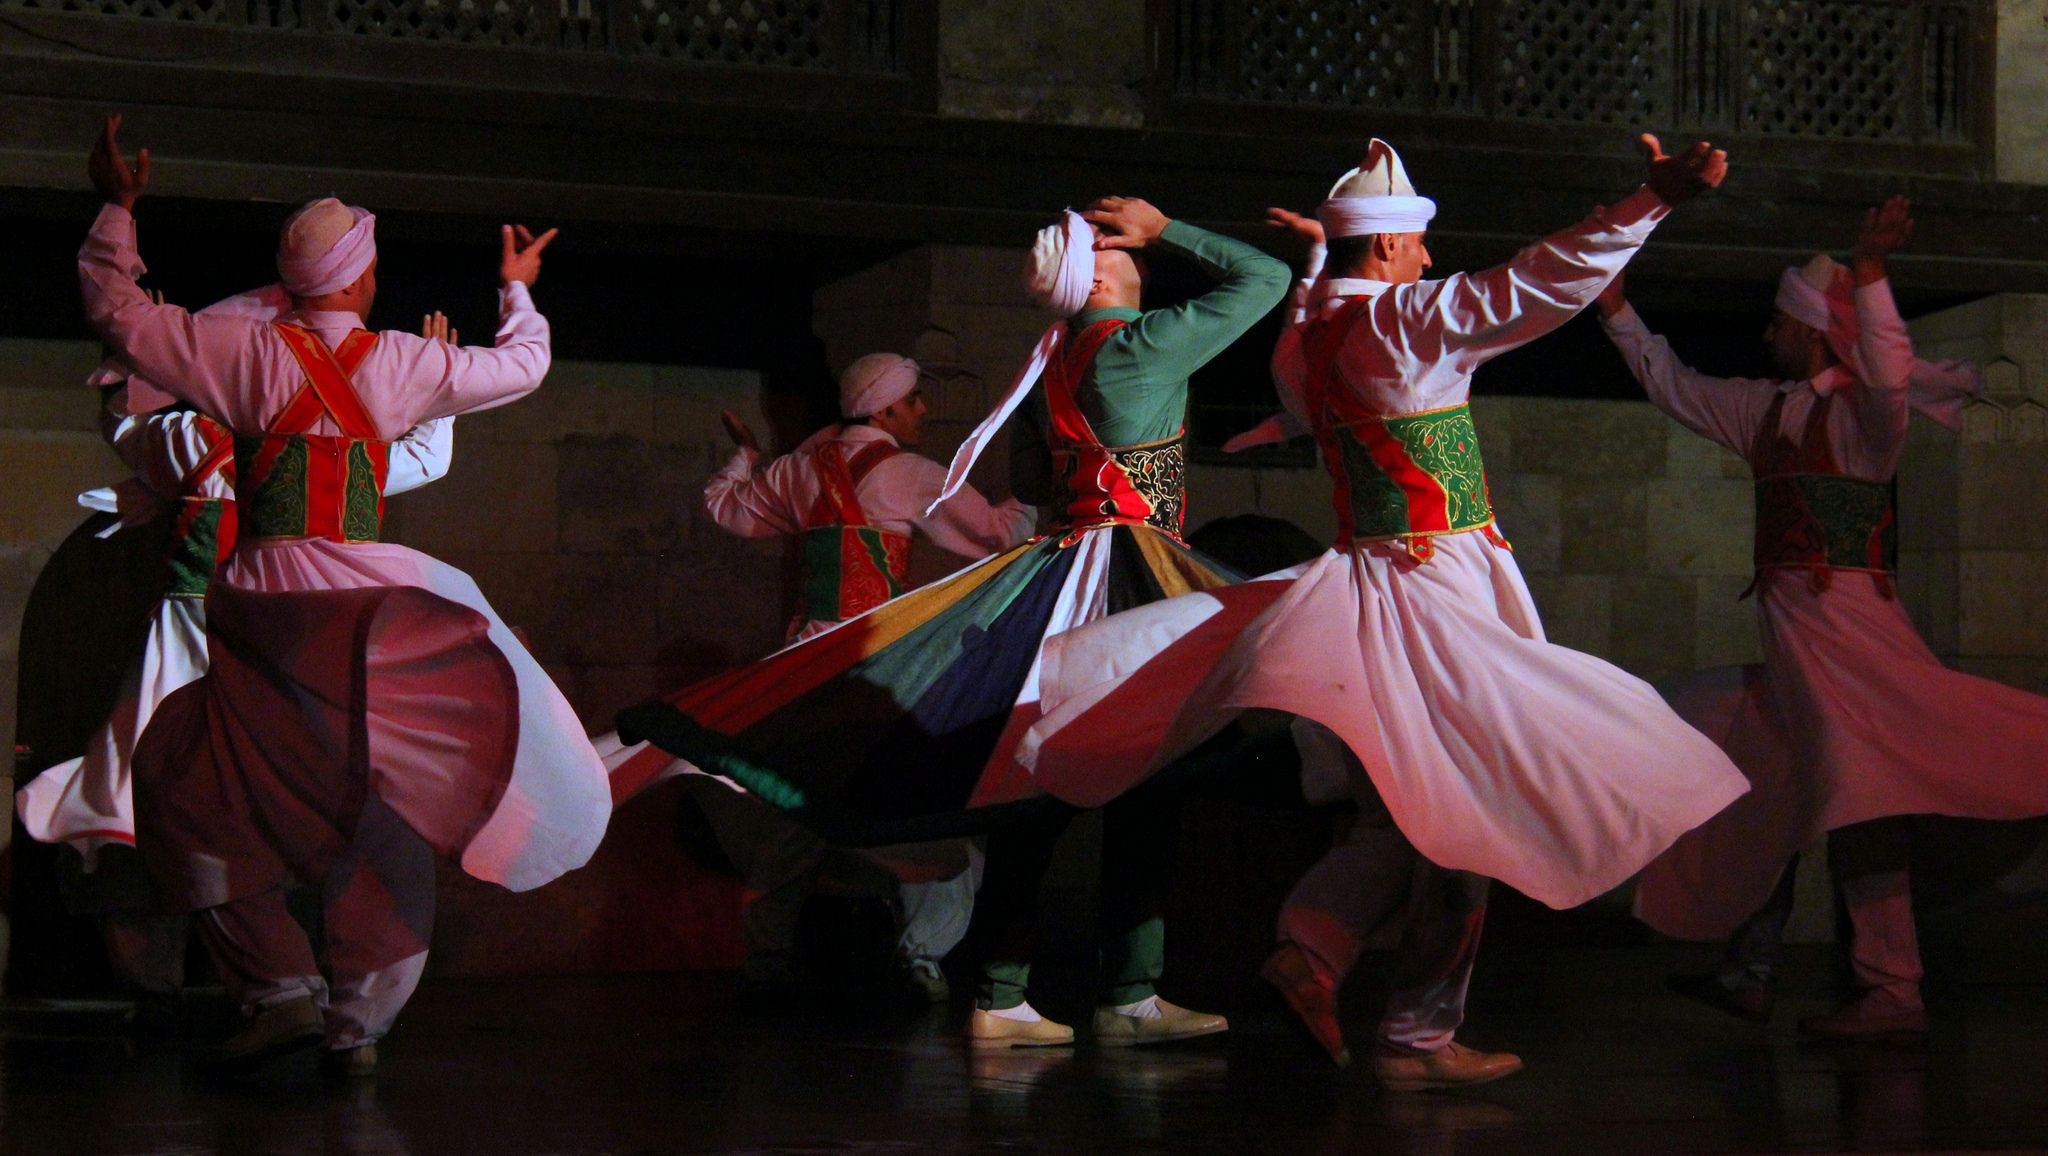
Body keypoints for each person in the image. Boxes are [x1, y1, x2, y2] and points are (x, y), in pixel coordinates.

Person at [1021, 135, 1749, 1089]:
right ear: (1392, 251)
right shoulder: (1414, 322)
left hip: (1366, 584)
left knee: (1408, 803)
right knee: (1475, 800)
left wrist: (1321, 264)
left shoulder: (1311, 338)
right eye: (1418, 247)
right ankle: (1414, 1031)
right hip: (1436, 585)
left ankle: (1316, 953)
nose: (1432, 261)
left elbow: (1303, 366)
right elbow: (1540, 279)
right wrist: (1649, 201)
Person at [619, 196, 1289, 1048]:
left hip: (1060, 571)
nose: (1137, 254)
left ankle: (1009, 990)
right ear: (1102, 277)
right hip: (1123, 576)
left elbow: (1026, 479)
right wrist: (1172, 229)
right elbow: (1266, 277)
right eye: (1121, 251)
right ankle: (1125, 990)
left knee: (1041, 786)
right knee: (1143, 778)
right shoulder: (1137, 347)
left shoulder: (1057, 361)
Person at [77, 115, 611, 1076]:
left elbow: (117, 313)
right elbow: (522, 369)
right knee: (374, 804)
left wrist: (117, 208)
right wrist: (517, 293)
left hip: (262, 608)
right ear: (360, 279)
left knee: (195, 786)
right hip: (360, 608)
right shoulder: (400, 360)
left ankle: (281, 987)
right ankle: (354, 1016)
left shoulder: (235, 353)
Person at [1598, 197, 2048, 1040]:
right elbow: (1672, 384)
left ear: (1809, 333)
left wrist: (1871, 274)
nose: (1765, 334)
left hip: (1853, 647)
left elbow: (1887, 372)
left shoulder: (1863, 422)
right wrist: (1615, 306)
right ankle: (1754, 969)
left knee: (1861, 795)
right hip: (1799, 650)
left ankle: (1892, 989)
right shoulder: (1763, 410)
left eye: (1777, 323)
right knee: (1745, 758)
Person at [14, 293, 456, 1002]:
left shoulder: (198, 439)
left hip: (201, 650)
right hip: (265, 653)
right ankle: (282, 990)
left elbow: (126, 429)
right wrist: (439, 391)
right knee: (217, 808)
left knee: (152, 802)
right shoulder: (339, 448)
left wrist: (133, 350)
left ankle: (234, 985)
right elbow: (425, 460)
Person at [600, 352, 1033, 1001]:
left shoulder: (800, 470)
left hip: (805, 666)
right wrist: (1042, 491)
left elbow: (728, 508)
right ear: (884, 409)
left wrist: (745, 455)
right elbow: (999, 535)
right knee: (925, 805)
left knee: (795, 809)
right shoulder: (910, 473)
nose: (921, 411)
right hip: (876, 672)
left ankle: (767, 953)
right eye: (913, 401)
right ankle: (923, 955)